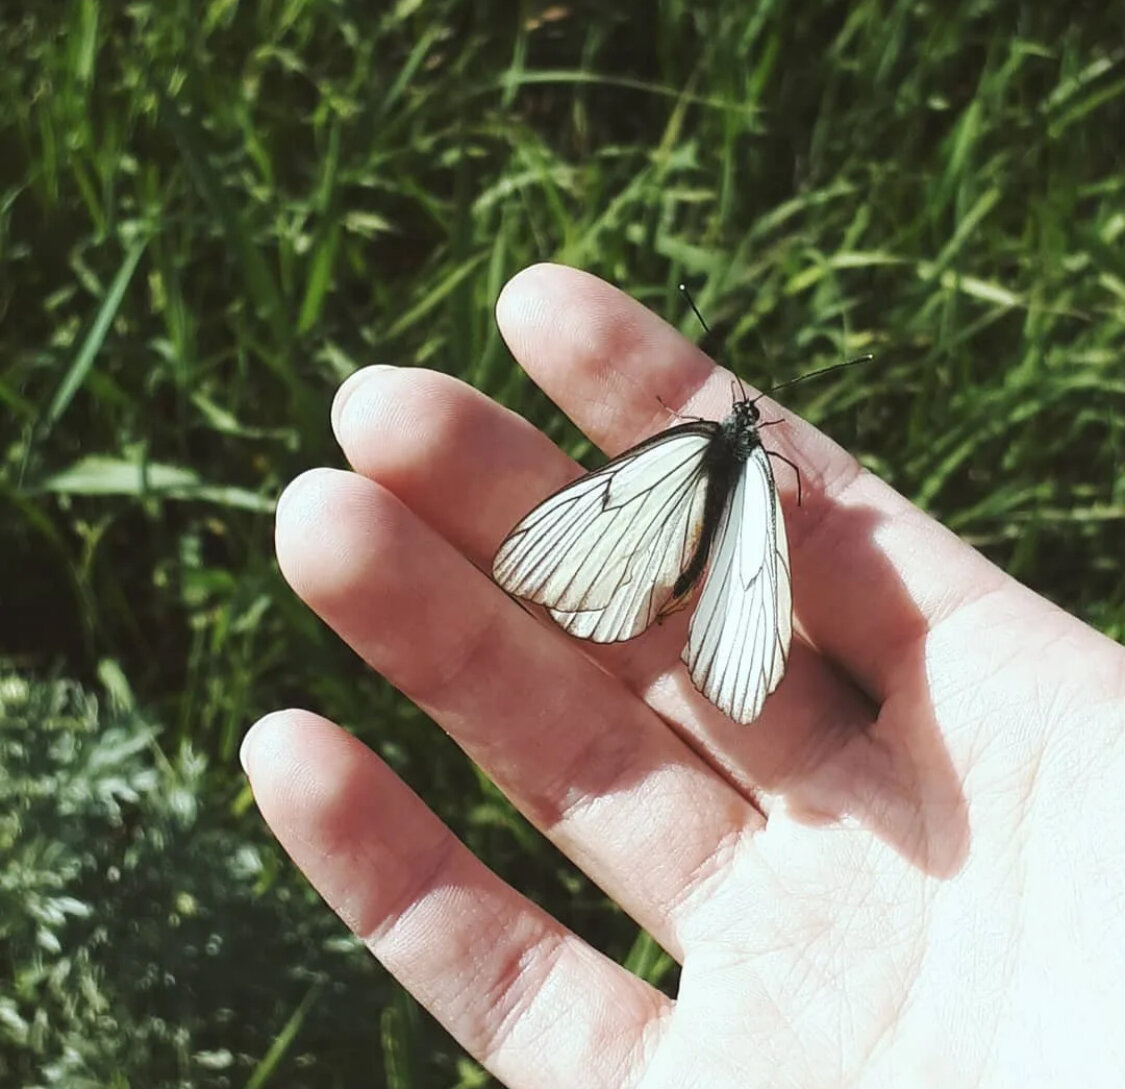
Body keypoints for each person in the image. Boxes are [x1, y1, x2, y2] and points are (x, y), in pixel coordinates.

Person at [241, 264, 1125, 1087]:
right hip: (709, 535)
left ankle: (666, 603)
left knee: (668, 546)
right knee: (702, 573)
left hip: (679, 526)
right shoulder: (753, 459)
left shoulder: (702, 440)